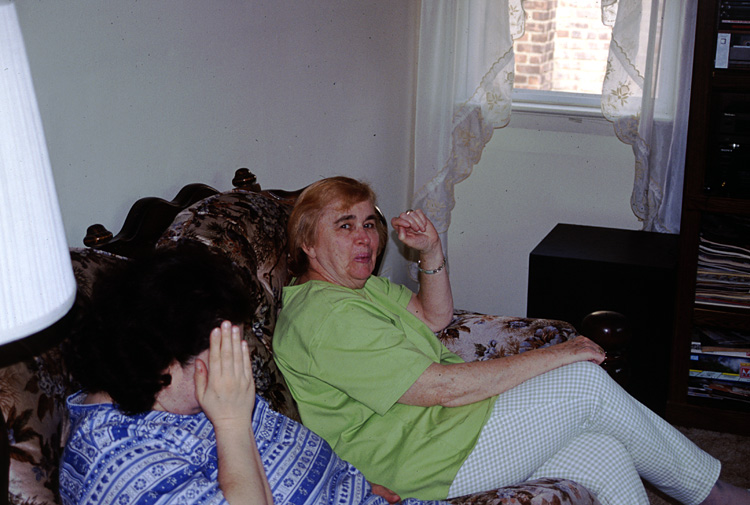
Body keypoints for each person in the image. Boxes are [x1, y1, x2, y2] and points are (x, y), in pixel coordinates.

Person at [273, 176, 750, 505]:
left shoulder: (360, 289)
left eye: (369, 223)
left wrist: (432, 251)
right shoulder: (323, 317)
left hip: (446, 432)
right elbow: (441, 387)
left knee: (603, 452)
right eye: (345, 225)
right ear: (308, 244)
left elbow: (434, 317)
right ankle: (715, 494)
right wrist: (558, 354)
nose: (365, 238)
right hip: (422, 460)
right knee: (583, 385)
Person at [59, 245, 444, 505]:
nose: (241, 360)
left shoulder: (188, 393)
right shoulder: (122, 464)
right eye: (228, 348)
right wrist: (230, 424)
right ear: (164, 361)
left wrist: (347, 486)